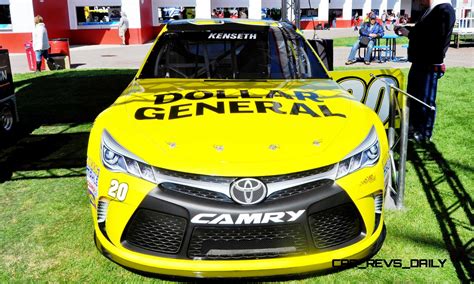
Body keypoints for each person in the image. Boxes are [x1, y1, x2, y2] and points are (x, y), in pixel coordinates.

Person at [394, 0, 455, 142]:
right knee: (414, 97)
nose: (417, 1)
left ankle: (425, 132)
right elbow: (423, 31)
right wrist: (406, 30)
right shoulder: (431, 10)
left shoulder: (444, 10)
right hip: (420, 62)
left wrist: (409, 34)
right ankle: (414, 128)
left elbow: (434, 38)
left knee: (425, 100)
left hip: (429, 63)